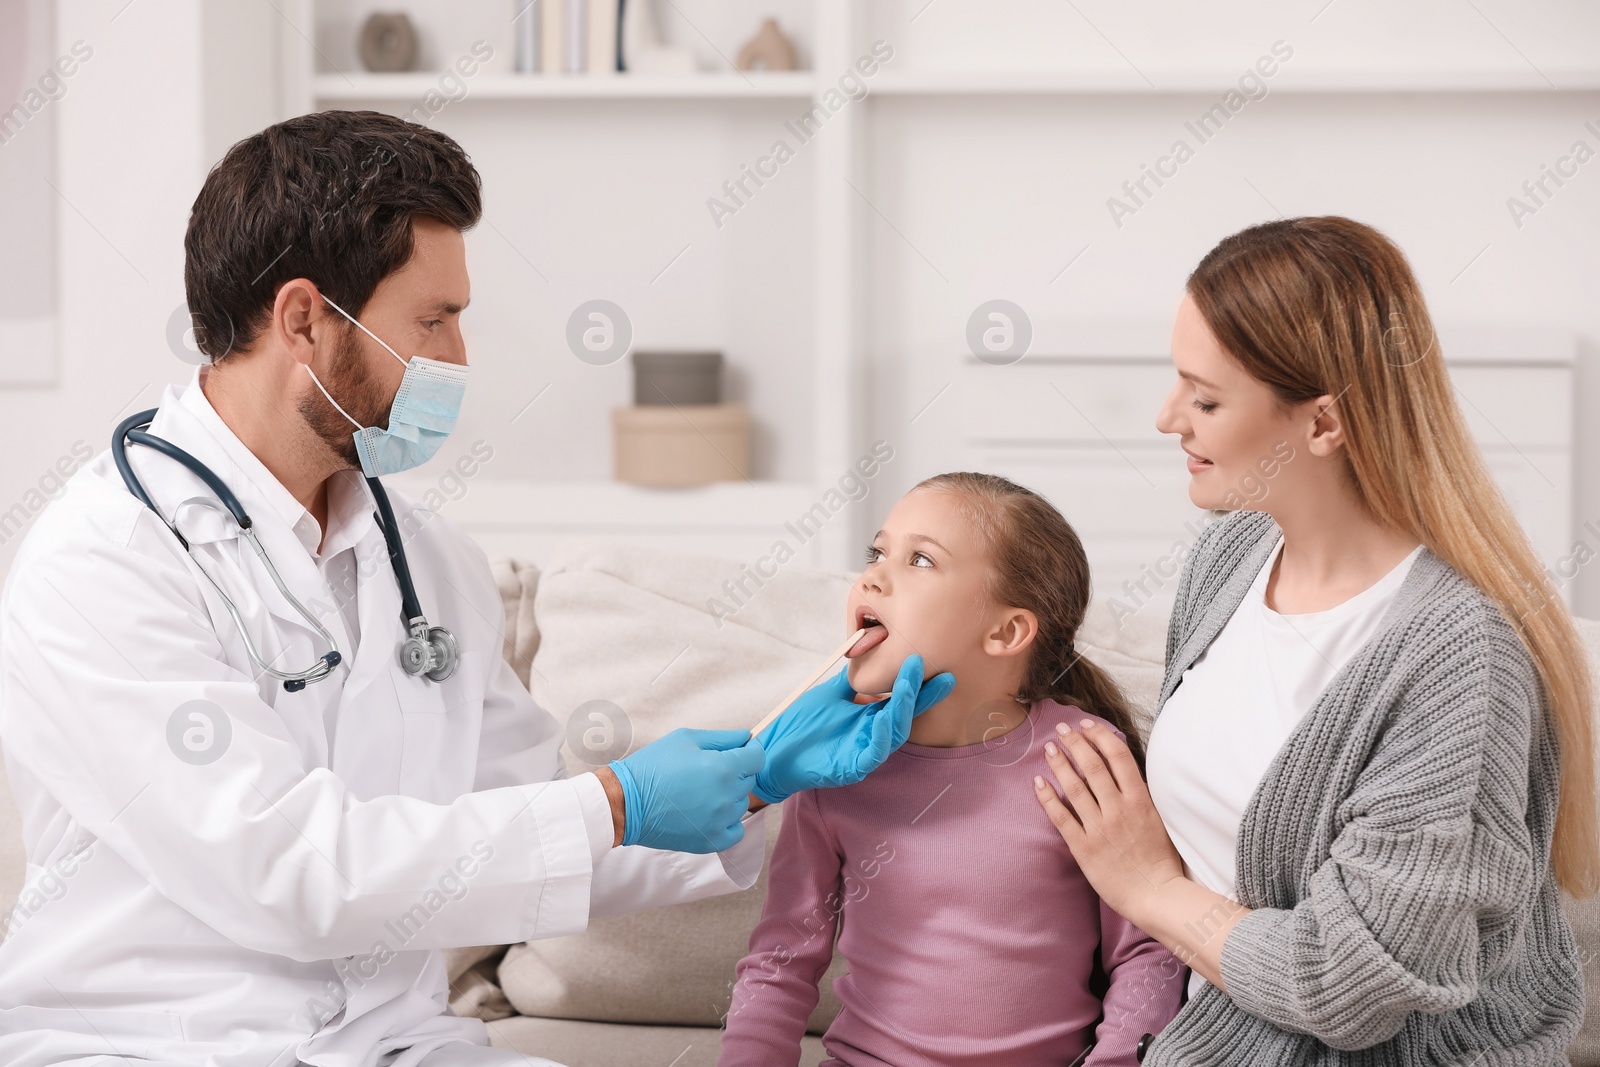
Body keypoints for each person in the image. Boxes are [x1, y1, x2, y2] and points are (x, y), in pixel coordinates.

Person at [0, 110, 953, 1067]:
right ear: (303, 320)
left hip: (394, 1044)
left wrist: (756, 775)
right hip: (152, 1046)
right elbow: (282, 872)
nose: (458, 357)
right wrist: (616, 802)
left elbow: (526, 819)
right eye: (432, 319)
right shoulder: (106, 560)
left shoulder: (426, 560)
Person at [1031, 216, 1595, 1064]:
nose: (1165, 418)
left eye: (1206, 398)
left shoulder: (1460, 660)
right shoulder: (1233, 553)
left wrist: (1149, 887)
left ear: (1324, 424)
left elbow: (1349, 981)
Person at [721, 473, 1184, 1067]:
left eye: (919, 560)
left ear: (1006, 631)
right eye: (877, 553)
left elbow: (1147, 950)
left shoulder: (1084, 755)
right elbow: (780, 962)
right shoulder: (831, 768)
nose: (873, 576)